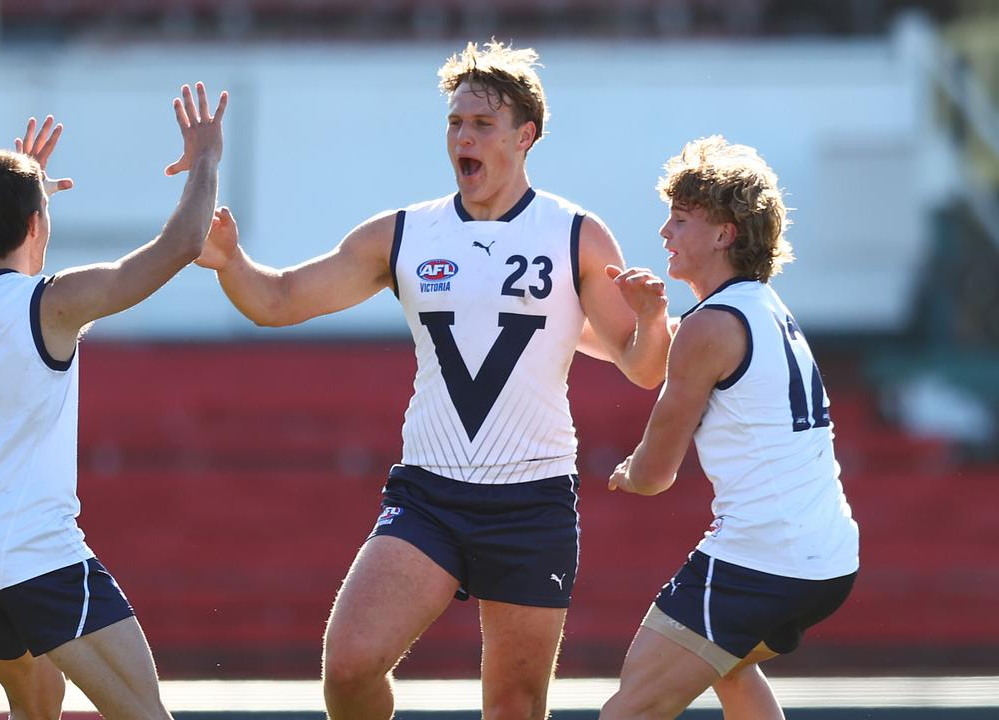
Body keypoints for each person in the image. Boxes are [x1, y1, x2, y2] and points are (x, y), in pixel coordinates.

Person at [193, 41, 671, 720]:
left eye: (481, 123)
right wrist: (231, 262)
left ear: (525, 135)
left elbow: (642, 365)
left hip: (530, 502)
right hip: (430, 497)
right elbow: (279, 300)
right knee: (351, 666)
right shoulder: (406, 234)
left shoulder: (574, 235)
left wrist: (652, 322)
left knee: (512, 708)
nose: (462, 137)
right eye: (454, 123)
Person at [0, 82, 227, 719]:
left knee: (37, 713)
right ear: (36, 222)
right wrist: (206, 162)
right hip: (37, 557)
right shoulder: (47, 303)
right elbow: (180, 247)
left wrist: (9, 190)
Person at [599, 136, 860, 720]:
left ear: (725, 234)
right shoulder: (766, 306)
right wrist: (649, 316)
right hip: (829, 560)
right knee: (733, 671)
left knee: (628, 710)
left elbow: (656, 473)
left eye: (682, 218)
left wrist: (626, 476)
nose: (665, 232)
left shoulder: (710, 325)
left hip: (762, 561)